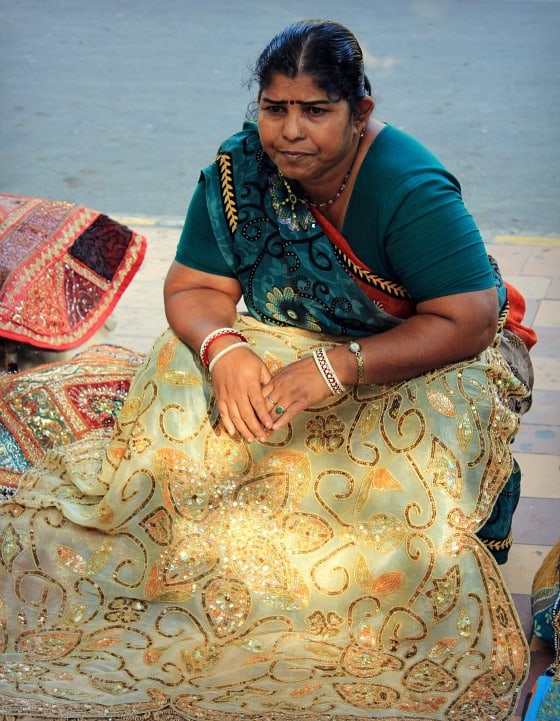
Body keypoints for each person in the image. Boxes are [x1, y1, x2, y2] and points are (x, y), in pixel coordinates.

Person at [0, 19, 536, 721]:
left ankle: (410, 545)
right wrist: (227, 351)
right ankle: (206, 566)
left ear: (359, 112)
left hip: (419, 355)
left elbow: (467, 319)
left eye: (316, 110)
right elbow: (193, 289)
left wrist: (341, 367)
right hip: (288, 340)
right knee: (178, 366)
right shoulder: (240, 170)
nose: (290, 130)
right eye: (275, 108)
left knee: (389, 462)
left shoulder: (408, 185)